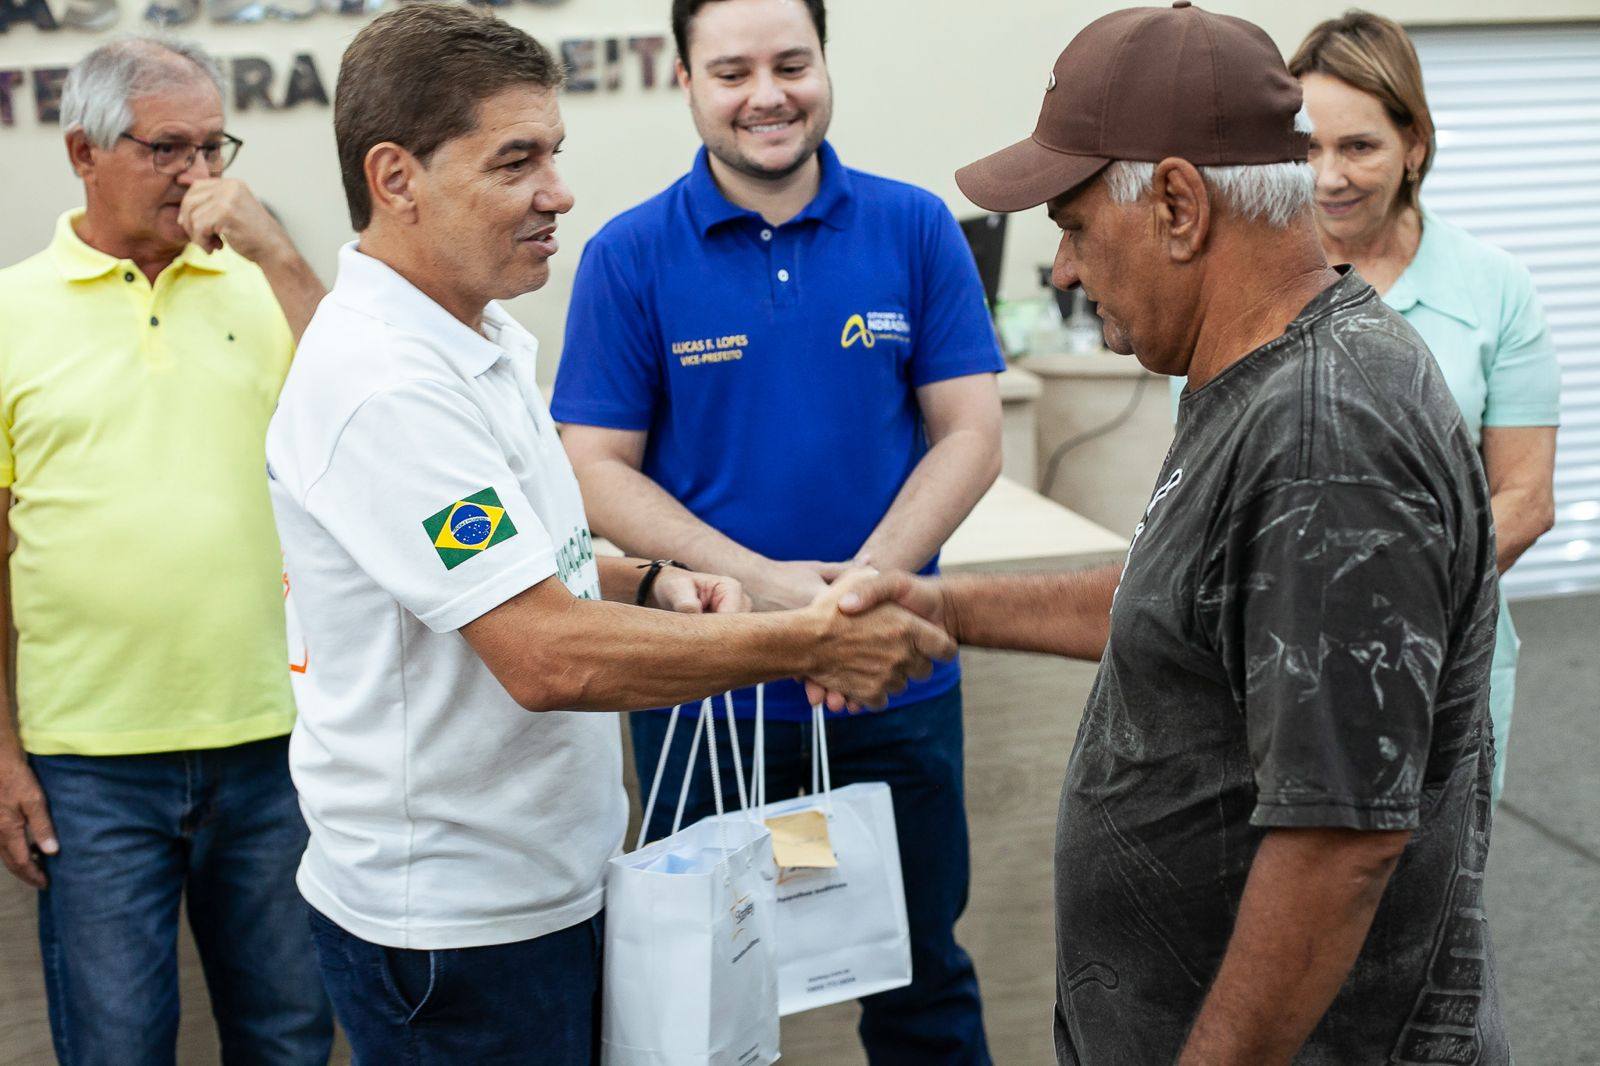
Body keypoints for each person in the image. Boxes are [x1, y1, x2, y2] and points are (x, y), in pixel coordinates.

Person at [819, 4, 1508, 1063]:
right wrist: (945, 605)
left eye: (1074, 224)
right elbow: (1178, 603)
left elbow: (1337, 842)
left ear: (1179, 205)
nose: (1060, 270)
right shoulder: (1248, 375)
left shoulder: (1329, 436)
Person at [267, 6, 954, 1062]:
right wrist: (808, 638)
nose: (559, 191)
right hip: (457, 928)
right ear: (396, 177)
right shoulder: (382, 385)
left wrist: (646, 584)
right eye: (516, 161)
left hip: (543, 881)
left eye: (556, 153)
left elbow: (520, 562)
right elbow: (542, 653)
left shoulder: (476, 336)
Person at [552, 1, 1002, 1057]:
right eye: (733, 70)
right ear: (687, 81)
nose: (767, 95)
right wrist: (772, 592)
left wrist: (857, 597)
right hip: (706, 699)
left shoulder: (913, 227)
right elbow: (591, 468)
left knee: (920, 975)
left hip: (892, 682)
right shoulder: (628, 255)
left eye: (791, 63)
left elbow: (970, 432)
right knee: (701, 990)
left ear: (824, 65)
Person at [0, 36, 331, 1065]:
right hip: (88, 766)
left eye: (213, 147)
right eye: (168, 149)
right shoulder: (9, 312)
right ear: (83, 152)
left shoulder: (261, 287)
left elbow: (367, 410)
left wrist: (276, 251)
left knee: (287, 1038)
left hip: (276, 743)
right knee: (116, 1046)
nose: (199, 174)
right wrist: (1, 747)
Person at [1290, 10, 1560, 803]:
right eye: (1307, 147)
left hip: (1444, 656)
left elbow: (1527, 496)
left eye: (1359, 146)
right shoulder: (1249, 289)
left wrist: (1390, 607)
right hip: (1286, 658)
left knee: (1436, 901)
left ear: (1415, 146)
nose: (1327, 176)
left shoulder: (1493, 286)